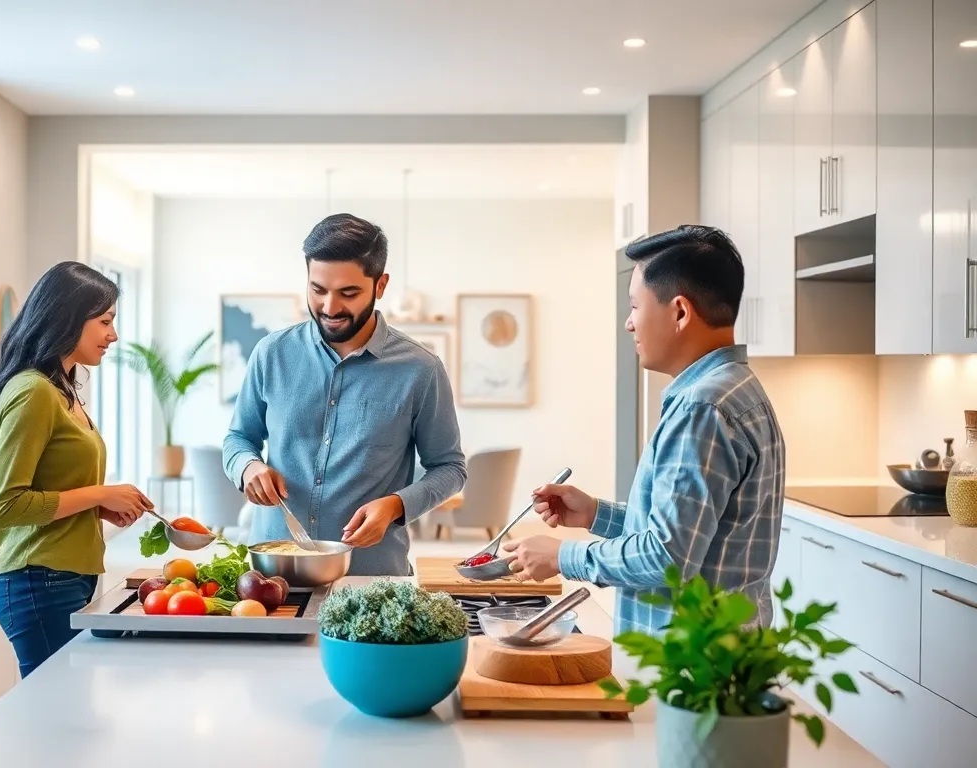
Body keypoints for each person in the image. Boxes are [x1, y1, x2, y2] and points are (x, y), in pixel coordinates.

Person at [504, 225, 785, 635]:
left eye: (635, 306)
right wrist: (596, 515)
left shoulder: (701, 407)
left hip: (690, 662)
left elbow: (667, 557)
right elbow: (692, 538)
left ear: (680, 312)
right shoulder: (736, 387)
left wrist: (563, 557)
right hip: (725, 655)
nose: (628, 324)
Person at [222, 213, 467, 576]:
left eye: (348, 293)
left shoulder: (421, 369)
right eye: (317, 290)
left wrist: (397, 505)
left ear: (380, 285)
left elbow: (450, 468)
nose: (330, 307)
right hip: (274, 573)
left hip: (371, 575)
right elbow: (238, 438)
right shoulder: (271, 353)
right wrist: (248, 466)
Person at [0, 262, 154, 676]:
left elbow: (49, 488)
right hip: (38, 581)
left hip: (62, 578)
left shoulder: (60, 389)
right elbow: (6, 505)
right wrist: (99, 495)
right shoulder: (33, 392)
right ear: (68, 318)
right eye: (105, 321)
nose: (113, 335)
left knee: (66, 715)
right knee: (57, 717)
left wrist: (98, 509)